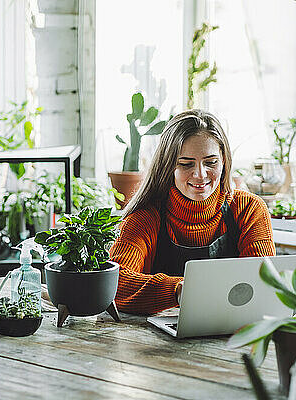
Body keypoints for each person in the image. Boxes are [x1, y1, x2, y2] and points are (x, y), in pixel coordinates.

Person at [109, 110, 275, 315]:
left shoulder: (249, 210)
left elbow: (264, 284)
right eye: (186, 164)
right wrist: (178, 290)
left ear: (224, 160)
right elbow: (115, 283)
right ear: (168, 166)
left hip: (231, 335)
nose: (200, 174)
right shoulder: (145, 217)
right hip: (158, 342)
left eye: (211, 162)